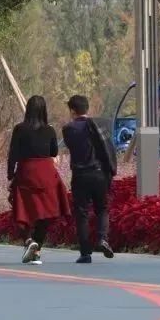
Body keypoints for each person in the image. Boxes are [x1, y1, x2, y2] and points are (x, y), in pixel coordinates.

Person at [8, 95, 70, 265]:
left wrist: (10, 175)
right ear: (44, 110)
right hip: (46, 174)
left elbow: (13, 153)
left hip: (26, 173)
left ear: (28, 109)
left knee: (23, 210)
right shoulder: (49, 130)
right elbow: (53, 152)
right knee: (47, 211)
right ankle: (37, 249)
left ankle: (29, 241)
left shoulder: (19, 129)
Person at [61, 95, 116, 263]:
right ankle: (102, 239)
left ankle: (85, 253)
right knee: (102, 208)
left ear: (72, 110)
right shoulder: (100, 125)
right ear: (87, 108)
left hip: (80, 176)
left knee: (82, 213)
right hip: (99, 173)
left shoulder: (68, 129)